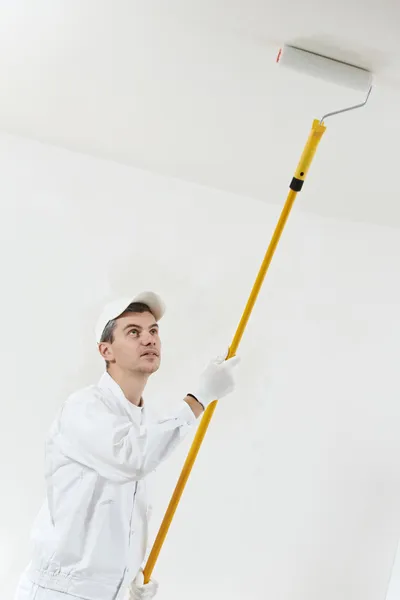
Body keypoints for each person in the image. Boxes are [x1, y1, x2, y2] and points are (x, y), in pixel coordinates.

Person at [15, 291, 241, 600]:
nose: (149, 340)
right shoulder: (84, 408)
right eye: (133, 332)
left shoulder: (142, 422)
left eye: (153, 331)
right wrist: (198, 399)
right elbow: (132, 459)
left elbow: (119, 519)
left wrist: (125, 584)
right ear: (105, 350)